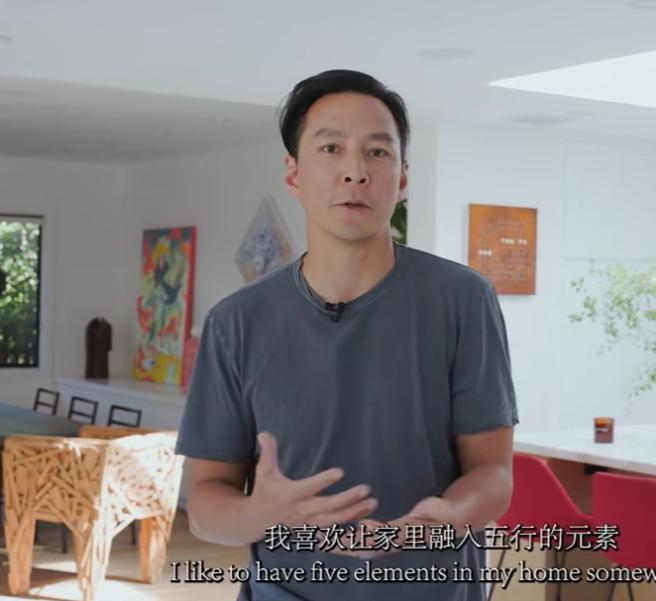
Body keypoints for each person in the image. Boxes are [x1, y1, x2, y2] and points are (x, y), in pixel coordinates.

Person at [175, 69, 519, 601]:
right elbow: (204, 506)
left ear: (402, 178)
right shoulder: (236, 322)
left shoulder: (463, 300)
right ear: (293, 174)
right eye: (331, 148)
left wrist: (446, 517)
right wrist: (259, 513)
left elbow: (493, 473)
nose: (356, 171)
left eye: (377, 152)